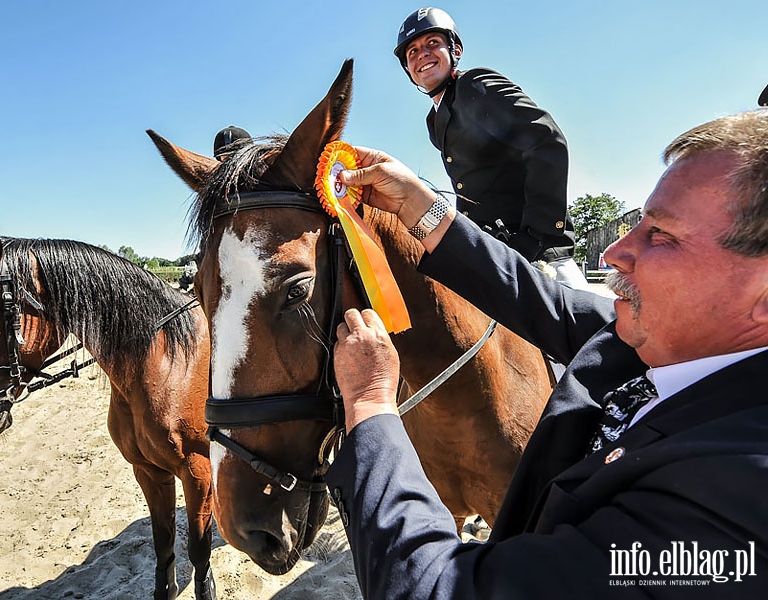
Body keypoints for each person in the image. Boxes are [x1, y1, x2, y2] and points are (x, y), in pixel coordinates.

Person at [324, 109, 768, 598]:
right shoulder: (664, 338)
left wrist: (368, 404)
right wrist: (418, 206)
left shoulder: (737, 485)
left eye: (661, 236)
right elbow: (536, 299)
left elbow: (437, 589)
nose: (612, 252)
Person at [394, 7, 589, 289]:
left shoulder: (475, 85)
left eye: (432, 43)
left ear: (455, 51)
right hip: (495, 253)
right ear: (409, 71)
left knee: (590, 329)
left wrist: (534, 237)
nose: (422, 54)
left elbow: (547, 141)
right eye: (412, 52)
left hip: (540, 256)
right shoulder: (434, 120)